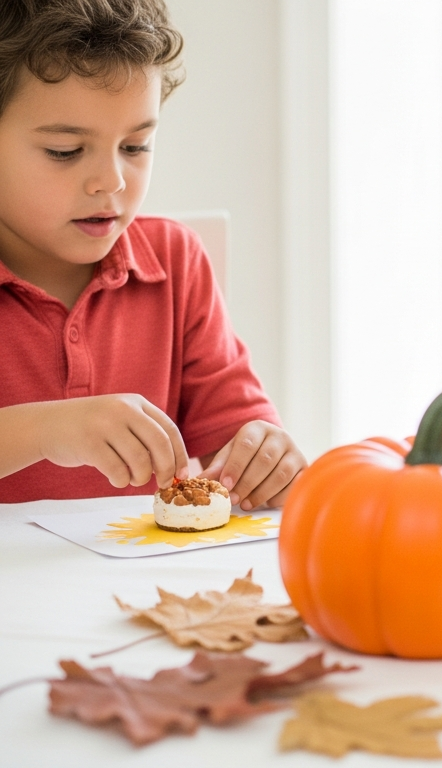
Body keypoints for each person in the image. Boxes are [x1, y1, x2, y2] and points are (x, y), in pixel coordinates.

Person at [0, 0, 305, 509]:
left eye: (136, 145)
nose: (112, 181)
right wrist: (45, 429)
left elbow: (239, 436)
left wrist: (265, 456)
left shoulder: (175, 261)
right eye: (65, 152)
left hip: (145, 582)